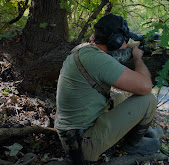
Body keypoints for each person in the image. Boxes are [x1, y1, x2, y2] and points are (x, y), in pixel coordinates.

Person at [54, 13, 161, 164]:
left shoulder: (84, 49)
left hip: (70, 134)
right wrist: (138, 57)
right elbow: (145, 87)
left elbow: (114, 53)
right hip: (83, 146)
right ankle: (133, 144)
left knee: (119, 98)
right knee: (148, 100)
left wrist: (136, 46)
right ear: (116, 40)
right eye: (125, 39)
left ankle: (141, 133)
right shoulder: (99, 61)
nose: (127, 42)